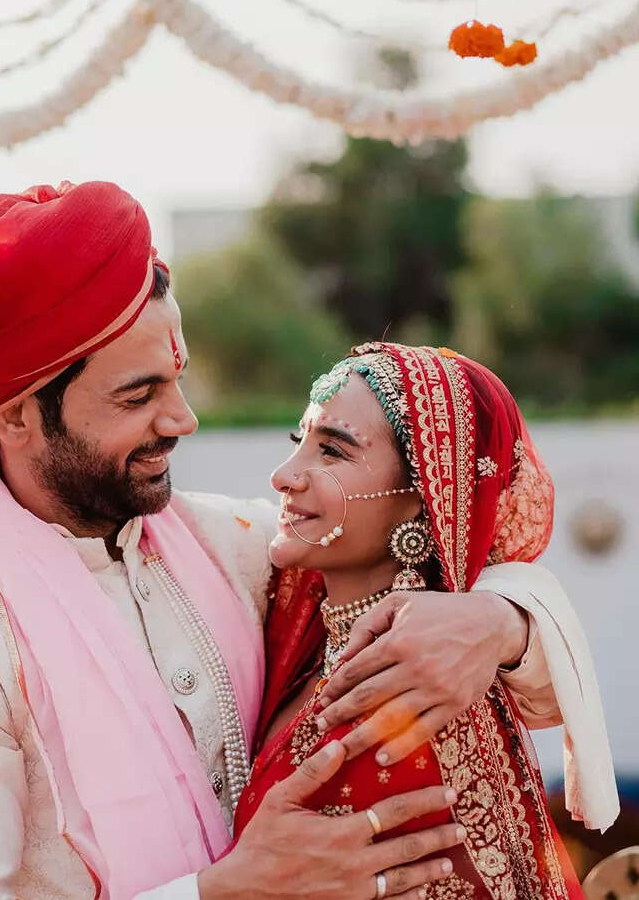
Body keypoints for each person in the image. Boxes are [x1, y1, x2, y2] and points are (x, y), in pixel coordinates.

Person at [0, 181, 594, 900]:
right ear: (14, 417)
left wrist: (495, 624)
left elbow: (470, 591)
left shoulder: (220, 548)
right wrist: (225, 890)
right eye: (139, 395)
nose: (183, 418)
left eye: (177, 378)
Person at [232, 342, 618, 899]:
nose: (284, 475)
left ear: (424, 496)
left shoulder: (422, 689)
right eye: (300, 443)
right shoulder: (312, 637)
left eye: (333, 452)